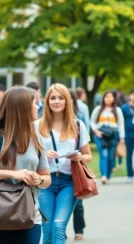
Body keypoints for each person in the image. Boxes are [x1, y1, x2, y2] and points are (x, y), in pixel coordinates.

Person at [36, 83, 92, 244]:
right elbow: (29, 155)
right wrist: (44, 155)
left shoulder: (77, 125)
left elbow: (88, 156)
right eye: (53, 98)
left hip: (68, 183)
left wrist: (79, 157)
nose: (57, 101)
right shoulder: (37, 126)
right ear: (47, 102)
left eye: (61, 98)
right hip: (44, 182)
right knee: (46, 232)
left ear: (68, 101)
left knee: (59, 226)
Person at [0, 86, 51, 244]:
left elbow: (47, 179)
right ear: (21, 107)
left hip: (29, 216)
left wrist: (39, 180)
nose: (38, 106)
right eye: (34, 103)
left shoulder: (36, 137)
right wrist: (13, 174)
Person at [90, 90, 125, 184]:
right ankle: (104, 176)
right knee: (103, 154)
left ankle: (108, 175)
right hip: (101, 134)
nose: (108, 99)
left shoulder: (117, 110)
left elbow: (121, 124)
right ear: (103, 98)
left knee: (110, 156)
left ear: (113, 99)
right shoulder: (98, 109)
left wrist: (122, 137)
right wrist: (96, 131)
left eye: (110, 97)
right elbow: (92, 121)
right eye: (106, 97)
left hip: (113, 134)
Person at [68, 89, 87, 242]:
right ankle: (62, 229)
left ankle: (79, 229)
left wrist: (80, 157)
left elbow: (84, 144)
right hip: (57, 168)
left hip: (76, 165)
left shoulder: (78, 119)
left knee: (78, 203)